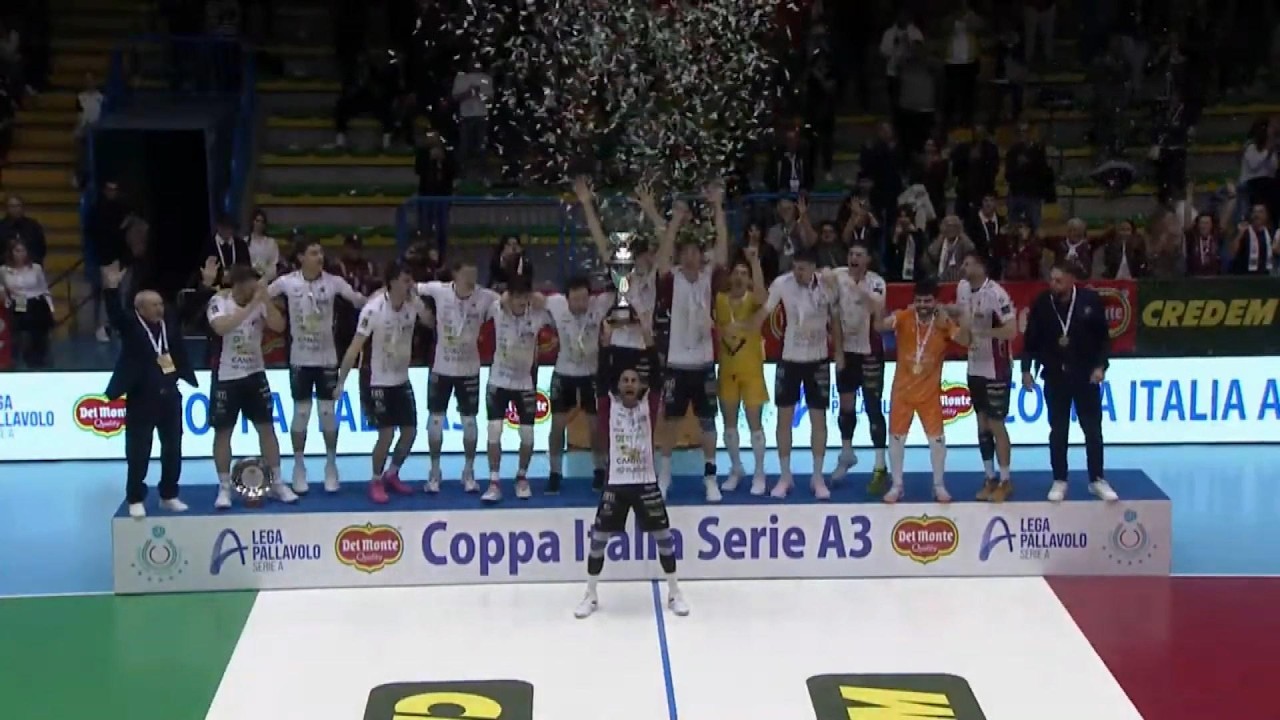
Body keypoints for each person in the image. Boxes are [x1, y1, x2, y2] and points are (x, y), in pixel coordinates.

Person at [574, 367, 688, 620]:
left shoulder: (649, 405)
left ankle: (674, 592)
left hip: (646, 482)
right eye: (624, 380)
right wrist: (605, 342)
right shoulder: (609, 406)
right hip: (616, 482)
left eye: (634, 381)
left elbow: (657, 379)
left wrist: (647, 334)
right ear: (618, 385)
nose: (629, 384)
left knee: (664, 537)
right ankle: (590, 594)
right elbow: (602, 374)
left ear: (640, 386)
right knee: (599, 540)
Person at [268, 237, 367, 495]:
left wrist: (378, 297)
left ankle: (331, 465)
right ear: (301, 257)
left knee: (327, 414)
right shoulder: (287, 282)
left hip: (327, 359)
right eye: (313, 252)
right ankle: (299, 467)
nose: (319, 257)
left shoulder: (333, 282)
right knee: (301, 413)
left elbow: (357, 300)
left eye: (321, 253)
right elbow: (259, 295)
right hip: (300, 359)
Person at [743, 247, 842, 499]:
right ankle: (785, 476)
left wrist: (839, 352)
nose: (798, 272)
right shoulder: (782, 284)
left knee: (818, 419)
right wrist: (748, 329)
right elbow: (765, 310)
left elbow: (836, 318)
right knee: (783, 419)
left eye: (803, 268)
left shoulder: (827, 283)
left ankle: (817, 476)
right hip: (789, 359)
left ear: (813, 269)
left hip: (818, 359)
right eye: (795, 267)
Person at [102, 269, 197, 518]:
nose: (159, 309)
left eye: (160, 304)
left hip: (170, 396)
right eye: (153, 305)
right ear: (140, 309)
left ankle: (169, 494)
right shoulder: (132, 326)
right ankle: (135, 496)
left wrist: (206, 286)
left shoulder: (169, 324)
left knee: (173, 448)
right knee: (138, 451)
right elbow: (115, 315)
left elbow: (189, 310)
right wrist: (111, 289)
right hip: (142, 398)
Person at [1020, 262, 1117, 503]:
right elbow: (1031, 339)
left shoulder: (1089, 300)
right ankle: (1060, 479)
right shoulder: (1043, 303)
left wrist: (1100, 366)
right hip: (1055, 376)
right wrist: (1025, 370)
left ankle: (1097, 479)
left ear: (1072, 279)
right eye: (1051, 280)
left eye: (1058, 280)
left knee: (1092, 430)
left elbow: (1103, 339)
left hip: (1085, 375)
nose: (1053, 284)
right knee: (1058, 430)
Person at [337, 262, 432, 503]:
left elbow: (431, 324)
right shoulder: (373, 309)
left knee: (410, 432)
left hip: (401, 378)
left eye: (411, 280)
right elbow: (354, 347)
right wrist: (340, 383)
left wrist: (419, 304)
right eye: (404, 280)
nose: (409, 285)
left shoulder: (413, 305)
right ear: (392, 282)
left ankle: (393, 473)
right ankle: (376, 479)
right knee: (386, 434)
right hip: (375, 379)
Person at [656, 185, 729, 502]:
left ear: (701, 255)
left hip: (703, 363)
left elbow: (724, 249)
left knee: (707, 421)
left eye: (695, 251)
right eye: (684, 252)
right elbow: (662, 256)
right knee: (670, 420)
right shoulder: (670, 278)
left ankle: (711, 476)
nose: (689, 256)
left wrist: (718, 209)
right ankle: (665, 474)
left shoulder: (709, 277)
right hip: (675, 364)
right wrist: (676, 221)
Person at [573, 176, 675, 394]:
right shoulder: (621, 273)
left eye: (648, 254)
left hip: (643, 348)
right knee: (614, 410)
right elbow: (600, 240)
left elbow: (667, 238)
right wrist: (586, 204)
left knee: (644, 410)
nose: (646, 258)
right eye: (640, 255)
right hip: (617, 347)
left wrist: (650, 209)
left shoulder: (653, 276)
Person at [207, 266, 295, 509]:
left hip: (255, 374)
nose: (256, 289)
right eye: (252, 285)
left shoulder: (260, 300)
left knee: (266, 428)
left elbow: (279, 326)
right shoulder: (219, 301)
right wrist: (250, 307)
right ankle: (224, 487)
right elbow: (221, 327)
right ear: (239, 284)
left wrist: (264, 299)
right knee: (223, 431)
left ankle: (277, 482)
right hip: (226, 375)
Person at [417, 260, 501, 493]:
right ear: (455, 273)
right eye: (467, 272)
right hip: (441, 368)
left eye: (474, 272)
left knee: (470, 422)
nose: (472, 277)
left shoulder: (485, 297)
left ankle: (469, 471)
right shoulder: (438, 290)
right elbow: (412, 288)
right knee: (435, 422)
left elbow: (508, 301)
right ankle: (434, 471)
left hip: (469, 370)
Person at [877, 278, 962, 503]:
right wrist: (879, 307)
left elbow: (966, 340)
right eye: (919, 301)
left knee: (937, 441)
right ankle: (896, 485)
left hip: (929, 394)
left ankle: (938, 485)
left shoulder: (942, 322)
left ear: (936, 301)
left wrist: (950, 322)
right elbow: (880, 326)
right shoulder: (905, 317)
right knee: (896, 439)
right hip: (902, 394)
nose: (923, 305)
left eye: (928, 300)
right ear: (914, 301)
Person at [825, 244, 889, 493]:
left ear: (868, 260)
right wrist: (827, 273)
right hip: (846, 350)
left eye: (859, 255)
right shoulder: (838, 276)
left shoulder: (876, 282)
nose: (853, 258)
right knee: (846, 403)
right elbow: (830, 304)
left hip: (871, 350)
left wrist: (856, 287)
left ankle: (880, 466)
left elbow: (877, 308)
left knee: (873, 406)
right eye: (851, 254)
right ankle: (847, 452)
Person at [953, 252, 1017, 501]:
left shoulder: (996, 293)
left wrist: (983, 332)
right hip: (974, 367)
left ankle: (1005, 480)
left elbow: (1012, 330)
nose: (963, 267)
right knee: (981, 424)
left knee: (996, 424)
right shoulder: (963, 289)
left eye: (967, 263)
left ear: (980, 266)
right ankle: (989, 477)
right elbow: (962, 320)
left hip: (996, 368)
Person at [481, 276, 550, 503]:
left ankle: (521, 477)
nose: (521, 301)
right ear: (509, 297)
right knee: (494, 430)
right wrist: (503, 295)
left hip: (524, 383)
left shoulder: (538, 314)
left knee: (528, 434)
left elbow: (556, 304)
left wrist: (540, 298)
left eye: (525, 297)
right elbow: (482, 294)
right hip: (498, 381)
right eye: (516, 296)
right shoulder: (496, 309)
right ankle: (493, 482)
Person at [544, 274, 613, 493]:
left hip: (591, 375)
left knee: (595, 427)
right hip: (563, 374)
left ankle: (599, 469)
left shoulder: (599, 304)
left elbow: (625, 288)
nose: (580, 304)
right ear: (567, 298)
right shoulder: (555, 304)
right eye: (575, 300)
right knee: (557, 426)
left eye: (584, 299)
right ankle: (555, 472)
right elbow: (532, 298)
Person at [715, 246, 769, 495]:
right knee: (729, 423)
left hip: (751, 371)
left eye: (743, 273)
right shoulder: (719, 300)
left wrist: (755, 261)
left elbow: (762, 294)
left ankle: (760, 472)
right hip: (727, 371)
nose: (738, 277)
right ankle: (736, 468)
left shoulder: (754, 301)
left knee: (754, 423)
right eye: (735, 272)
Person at [0, 238, 54, 367]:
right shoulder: (3, 270)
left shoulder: (36, 268)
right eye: (17, 251)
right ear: (11, 252)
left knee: (39, 337)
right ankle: (23, 362)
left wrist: (51, 308)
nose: (21, 254)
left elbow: (44, 288)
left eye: (23, 250)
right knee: (22, 335)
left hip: (37, 303)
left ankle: (39, 364)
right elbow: (2, 288)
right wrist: (8, 303)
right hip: (19, 302)